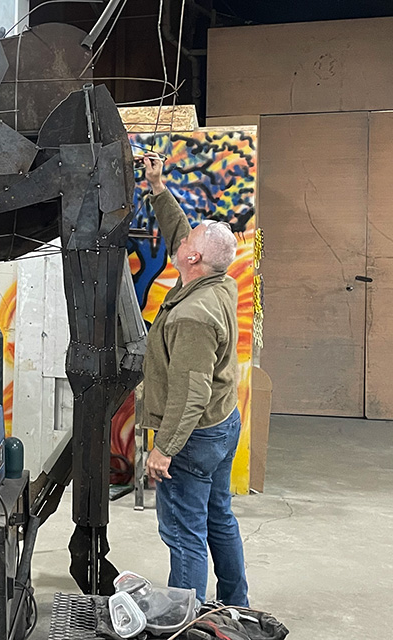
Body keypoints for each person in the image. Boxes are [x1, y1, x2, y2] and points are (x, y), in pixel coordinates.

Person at [139, 155, 249, 607]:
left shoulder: (193, 316)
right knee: (218, 515)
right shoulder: (218, 281)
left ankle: (186, 621)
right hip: (223, 424)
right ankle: (235, 605)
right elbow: (180, 231)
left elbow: (191, 394)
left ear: (194, 257)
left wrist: (164, 448)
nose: (183, 239)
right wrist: (158, 187)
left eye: (191, 239)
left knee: (184, 534)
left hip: (194, 436)